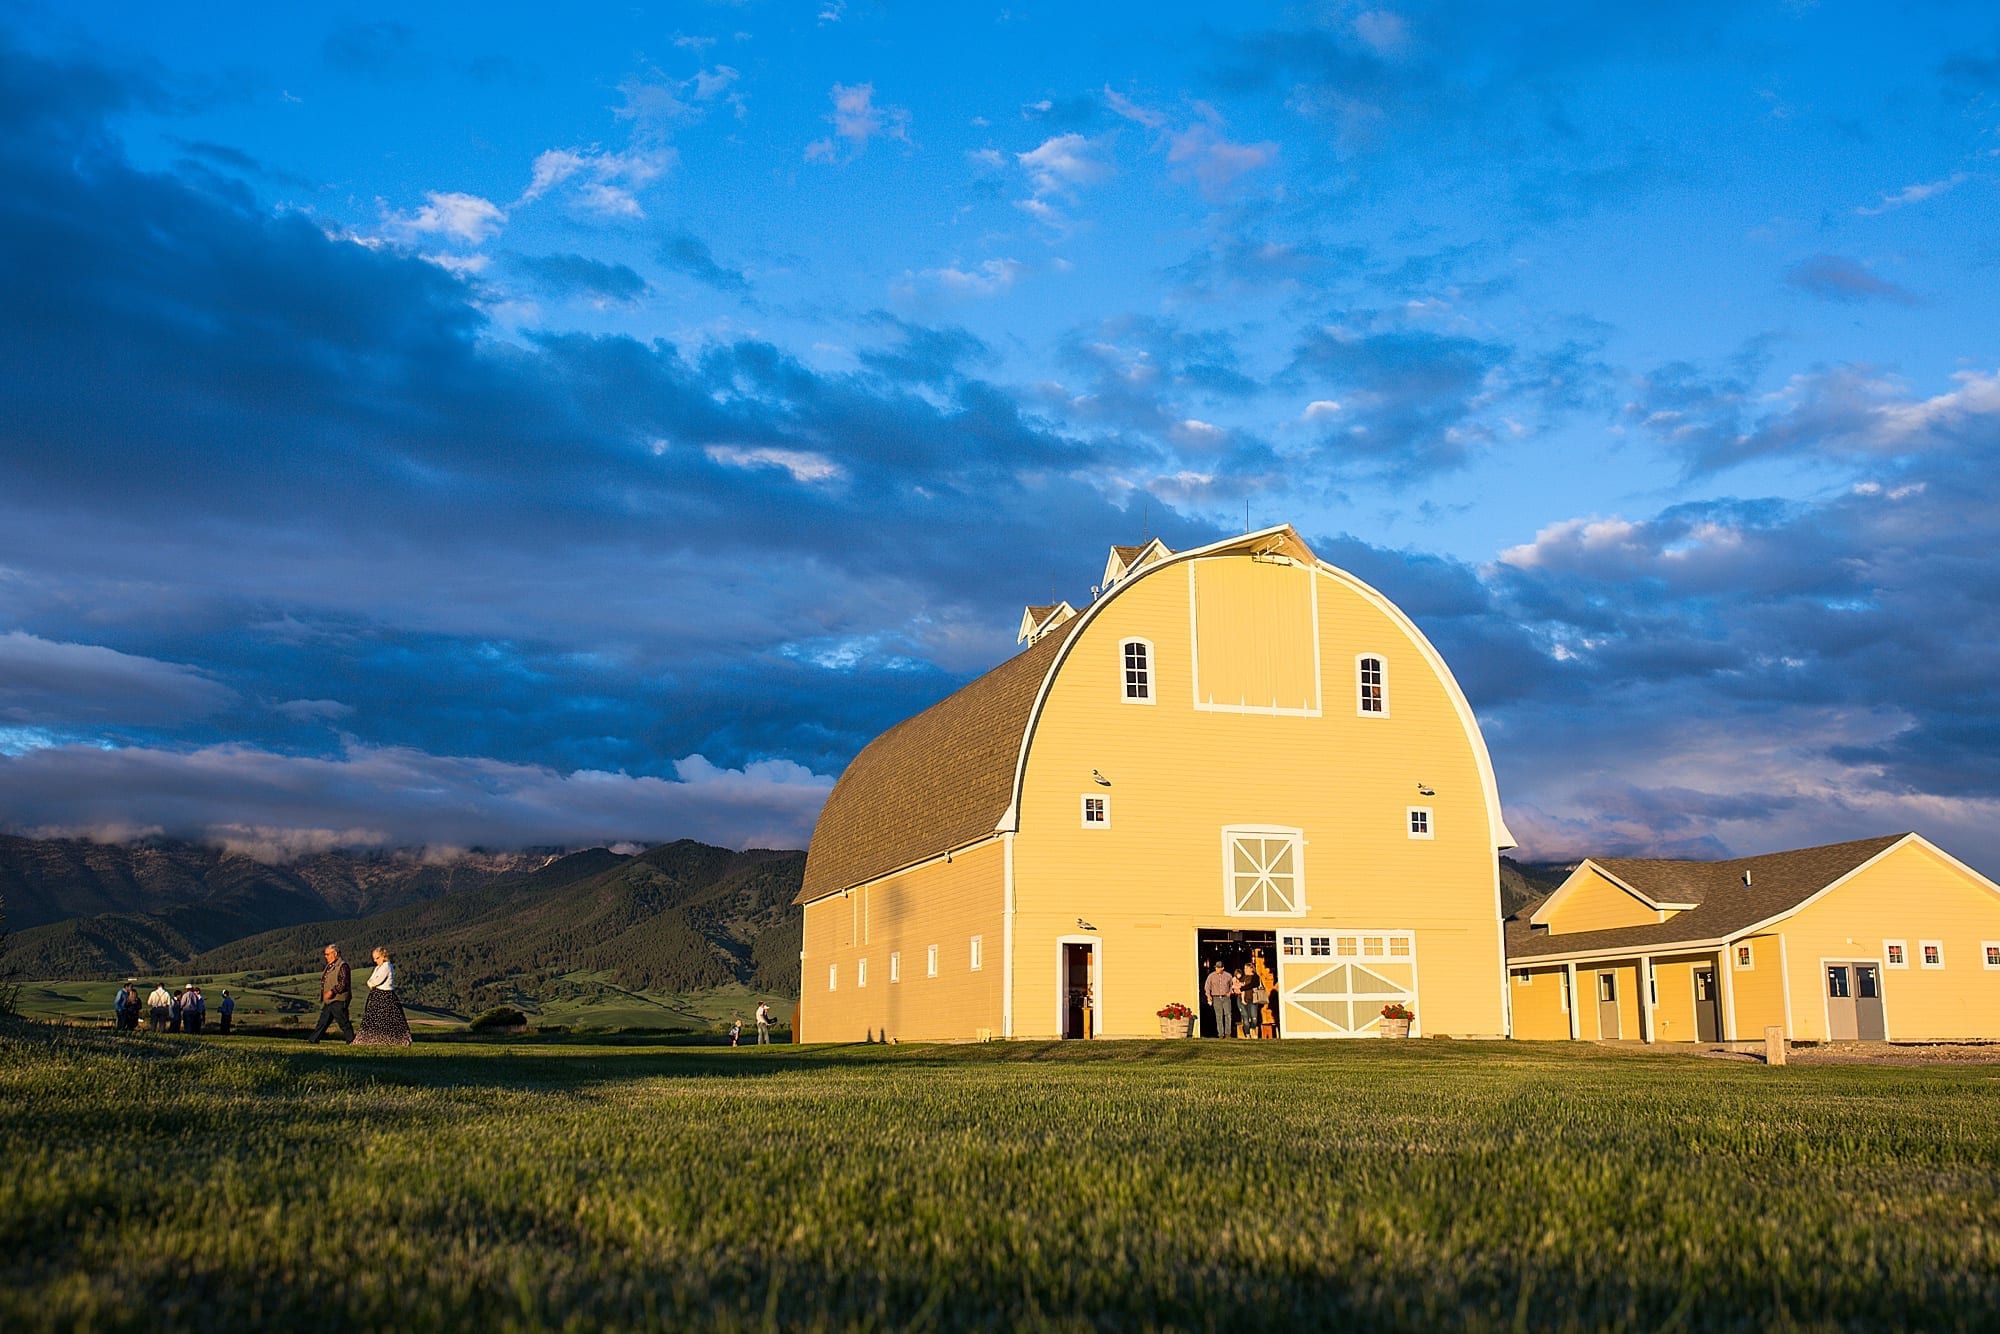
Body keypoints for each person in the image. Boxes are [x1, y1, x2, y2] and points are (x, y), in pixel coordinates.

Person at [351, 946, 412, 1047]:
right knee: (374, 1019)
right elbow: (371, 979)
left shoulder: (387, 967)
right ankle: (375, 1039)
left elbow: (376, 981)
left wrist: (371, 983)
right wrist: (371, 983)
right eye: (374, 958)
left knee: (389, 1019)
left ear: (383, 956)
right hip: (377, 995)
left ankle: (396, 1040)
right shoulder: (378, 968)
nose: (375, 961)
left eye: (377, 958)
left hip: (385, 996)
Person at [309, 944, 355, 1044]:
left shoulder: (343, 966)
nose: (326, 956)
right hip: (330, 1000)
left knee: (343, 1021)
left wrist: (332, 991)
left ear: (335, 954)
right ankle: (313, 1039)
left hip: (339, 999)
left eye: (327, 954)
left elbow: (343, 983)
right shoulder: (330, 966)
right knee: (323, 1021)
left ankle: (351, 1040)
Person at [1203, 961, 1235, 1038]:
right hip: (1216, 997)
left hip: (1226, 997)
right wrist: (1208, 996)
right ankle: (1220, 1034)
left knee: (1228, 1015)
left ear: (1222, 968)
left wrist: (1230, 992)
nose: (1217, 969)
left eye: (1219, 967)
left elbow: (1232, 985)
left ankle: (1228, 1033)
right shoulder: (1211, 976)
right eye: (1216, 967)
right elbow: (1207, 987)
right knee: (1218, 1016)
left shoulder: (1228, 976)